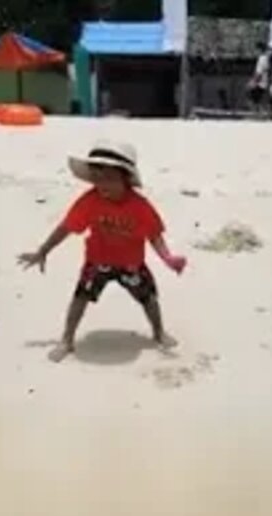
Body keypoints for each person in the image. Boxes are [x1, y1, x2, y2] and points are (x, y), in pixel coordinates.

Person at [17, 141, 187, 363]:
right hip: (98, 261)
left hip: (131, 264)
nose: (102, 185)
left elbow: (154, 235)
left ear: (126, 178)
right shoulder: (90, 201)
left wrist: (167, 258)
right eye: (97, 178)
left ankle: (158, 332)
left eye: (109, 178)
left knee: (149, 299)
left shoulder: (140, 206)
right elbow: (66, 227)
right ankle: (67, 340)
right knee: (80, 298)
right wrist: (43, 250)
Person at [246, 42, 271, 112]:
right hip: (264, 82)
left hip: (259, 83)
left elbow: (258, 72)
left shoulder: (261, 59)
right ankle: (259, 111)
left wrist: (253, 82)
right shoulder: (267, 58)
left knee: (251, 97)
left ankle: (256, 112)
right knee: (257, 99)